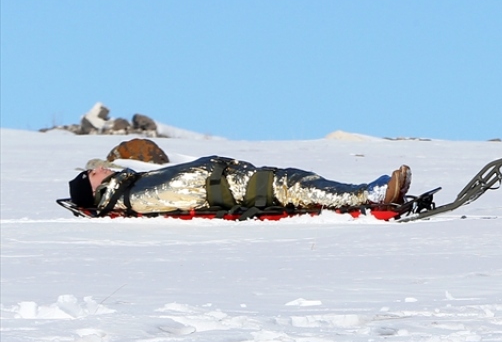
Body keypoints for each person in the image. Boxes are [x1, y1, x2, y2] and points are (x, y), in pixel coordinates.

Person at [66, 156, 412, 216]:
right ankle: (371, 195)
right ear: (94, 190)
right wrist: (215, 174)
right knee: (294, 185)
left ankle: (368, 191)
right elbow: (181, 191)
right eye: (93, 173)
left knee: (295, 179)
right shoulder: (133, 196)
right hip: (227, 187)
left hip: (227, 178)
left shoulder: (131, 185)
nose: (99, 168)